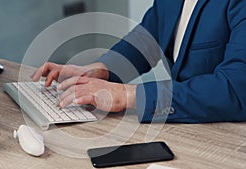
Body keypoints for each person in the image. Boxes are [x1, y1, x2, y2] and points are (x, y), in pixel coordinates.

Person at [31, 0, 246, 123]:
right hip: (185, 129)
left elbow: (234, 90)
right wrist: (99, 70)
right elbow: (147, 38)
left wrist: (127, 95)